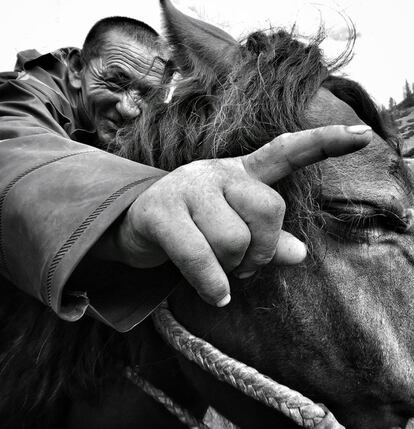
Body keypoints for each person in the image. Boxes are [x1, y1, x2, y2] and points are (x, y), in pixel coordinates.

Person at [0, 16, 372, 333]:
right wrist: (132, 208)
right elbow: (13, 152)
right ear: (79, 69)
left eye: (146, 93)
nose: (130, 108)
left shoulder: (125, 124)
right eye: (115, 81)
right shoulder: (26, 95)